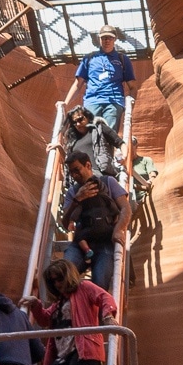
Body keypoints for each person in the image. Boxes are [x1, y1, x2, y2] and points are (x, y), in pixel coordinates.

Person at [62, 151, 131, 291]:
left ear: (88, 165)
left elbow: (125, 208)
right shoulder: (72, 191)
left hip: (105, 241)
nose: (74, 175)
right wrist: (77, 200)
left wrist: (118, 230)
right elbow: (65, 223)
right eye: (71, 172)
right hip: (82, 242)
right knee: (64, 273)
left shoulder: (107, 182)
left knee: (99, 284)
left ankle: (97, 311)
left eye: (77, 170)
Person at [63, 24, 137, 132]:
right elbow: (77, 84)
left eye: (110, 38)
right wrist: (65, 103)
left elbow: (133, 87)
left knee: (109, 134)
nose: (107, 40)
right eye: (104, 38)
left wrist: (130, 107)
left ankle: (108, 148)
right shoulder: (89, 58)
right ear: (99, 39)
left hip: (114, 102)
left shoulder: (122, 59)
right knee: (90, 134)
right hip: (92, 101)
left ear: (115, 39)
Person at [50, 105, 127, 183]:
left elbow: (120, 143)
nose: (78, 124)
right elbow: (69, 161)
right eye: (74, 122)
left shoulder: (99, 129)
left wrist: (125, 156)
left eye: (80, 119)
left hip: (100, 175)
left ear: (87, 117)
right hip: (80, 180)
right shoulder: (73, 141)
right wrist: (59, 148)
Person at [131, 136, 158, 208]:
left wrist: (151, 181)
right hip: (128, 199)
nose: (130, 147)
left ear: (136, 146)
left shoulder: (146, 160)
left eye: (133, 144)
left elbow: (152, 176)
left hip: (144, 197)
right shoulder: (120, 165)